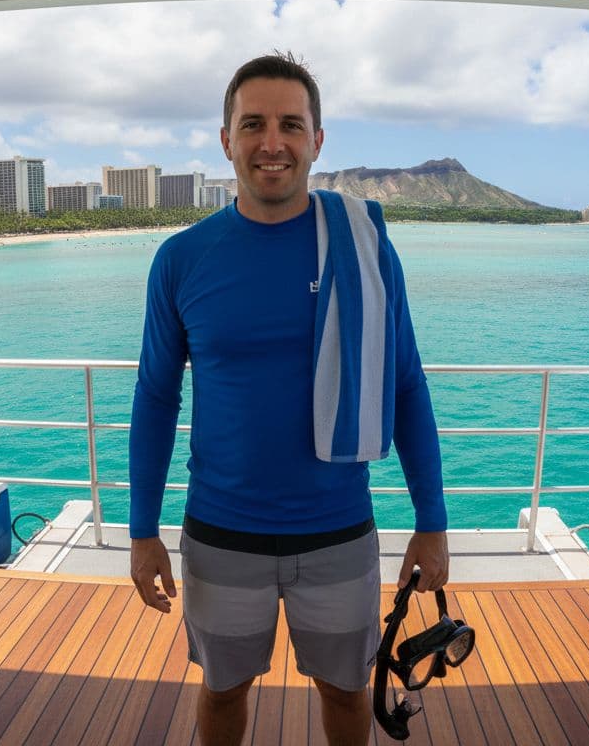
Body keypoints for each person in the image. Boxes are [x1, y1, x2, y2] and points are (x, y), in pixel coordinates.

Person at [128, 51, 447, 746]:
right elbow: (155, 397)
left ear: (317, 141)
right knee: (222, 691)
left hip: (338, 533)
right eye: (253, 125)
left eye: (290, 125)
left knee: (346, 691)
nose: (272, 143)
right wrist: (141, 531)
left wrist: (433, 522)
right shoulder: (181, 259)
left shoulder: (366, 248)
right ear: (226, 140)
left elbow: (405, 382)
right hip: (221, 536)